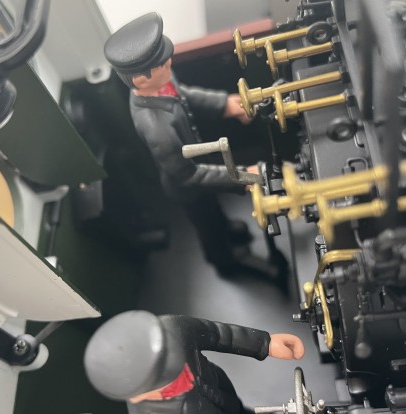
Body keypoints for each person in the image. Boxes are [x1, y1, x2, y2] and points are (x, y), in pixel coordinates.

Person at [103, 12, 281, 277]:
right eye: (163, 66)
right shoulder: (156, 128)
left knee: (215, 209)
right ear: (140, 80)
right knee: (208, 226)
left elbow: (184, 95)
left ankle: (227, 227)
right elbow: (187, 175)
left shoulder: (160, 80)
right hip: (188, 186)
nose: (170, 66)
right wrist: (242, 175)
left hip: (201, 164)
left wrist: (225, 104)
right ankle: (224, 262)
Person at [84, 310, 305, 414]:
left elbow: (217, 333)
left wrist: (265, 343)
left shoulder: (172, 330)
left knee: (238, 409)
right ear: (135, 396)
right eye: (158, 373)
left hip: (220, 387)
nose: (172, 360)